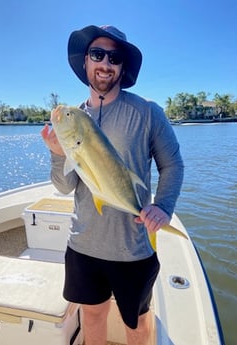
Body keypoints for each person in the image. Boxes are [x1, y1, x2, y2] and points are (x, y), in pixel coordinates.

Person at [41, 25, 184, 345]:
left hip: (133, 247)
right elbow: (65, 187)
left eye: (114, 57)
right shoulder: (72, 119)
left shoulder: (148, 112)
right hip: (83, 245)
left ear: (123, 66)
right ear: (85, 62)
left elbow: (172, 164)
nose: (105, 63)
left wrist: (162, 206)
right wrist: (56, 154)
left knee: (137, 324)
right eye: (97, 54)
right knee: (91, 315)